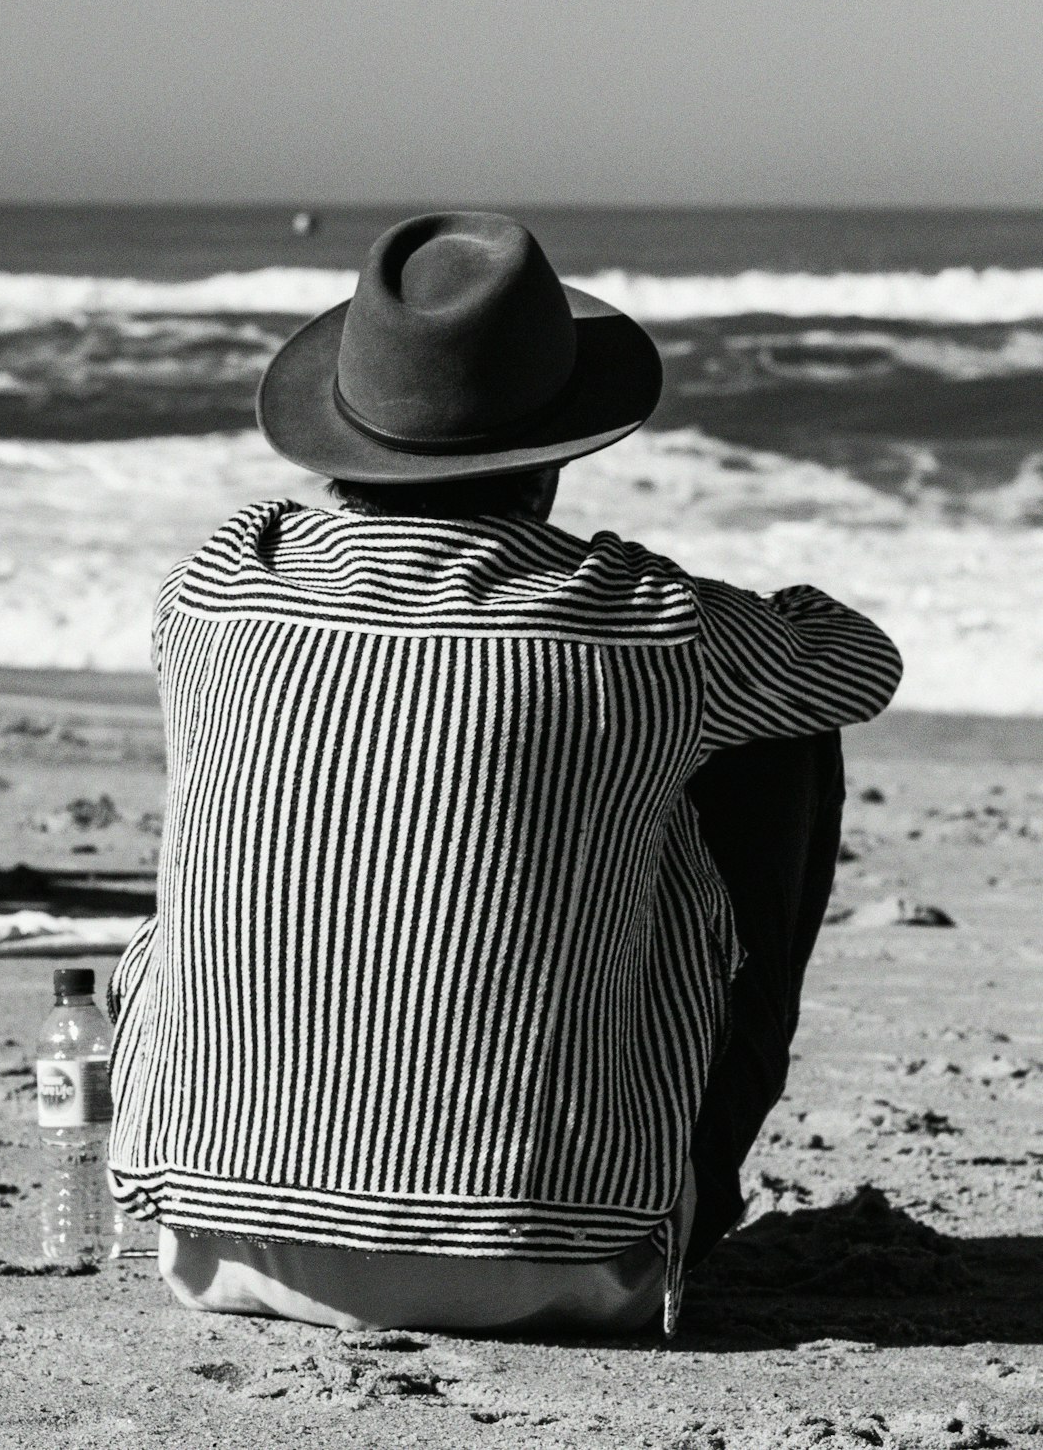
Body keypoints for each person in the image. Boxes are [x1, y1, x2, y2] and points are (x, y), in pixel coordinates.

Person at [106, 211, 902, 1337]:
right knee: (780, 734)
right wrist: (747, 609)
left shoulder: (213, 590)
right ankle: (667, 1189)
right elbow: (858, 666)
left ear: (344, 434)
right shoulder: (646, 625)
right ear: (561, 453)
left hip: (214, 1240)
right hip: (565, 1265)